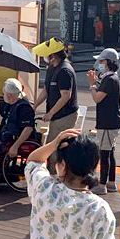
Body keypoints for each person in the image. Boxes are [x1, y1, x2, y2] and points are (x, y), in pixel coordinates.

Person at [32, 38, 79, 172]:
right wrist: (34, 106)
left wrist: (51, 113)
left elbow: (66, 96)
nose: (45, 58)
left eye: (46, 55)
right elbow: (46, 89)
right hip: (56, 115)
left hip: (64, 115)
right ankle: (54, 174)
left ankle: (55, 177)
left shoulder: (64, 70)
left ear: (52, 56)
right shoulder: (52, 68)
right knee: (51, 146)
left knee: (54, 148)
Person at [86, 48, 120, 194]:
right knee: (110, 152)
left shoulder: (109, 79)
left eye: (101, 61)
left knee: (105, 153)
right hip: (112, 121)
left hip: (107, 122)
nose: (99, 63)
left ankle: (102, 185)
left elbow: (97, 98)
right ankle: (111, 182)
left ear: (107, 62)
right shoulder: (112, 77)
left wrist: (92, 84)